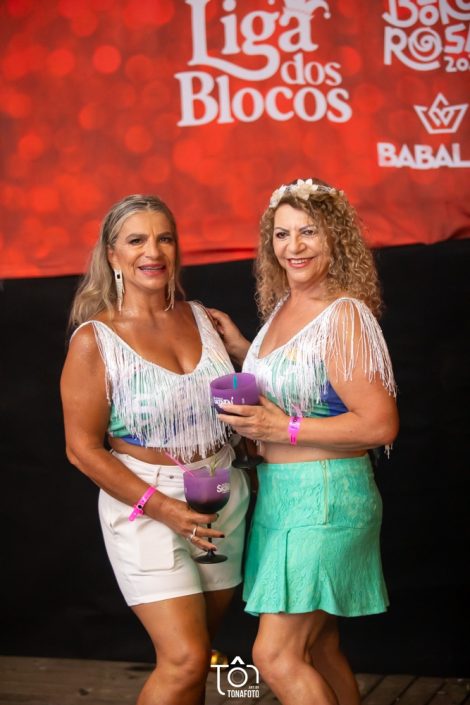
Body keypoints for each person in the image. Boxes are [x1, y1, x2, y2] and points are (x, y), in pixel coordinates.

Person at [208, 178, 399, 705]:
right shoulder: (284, 309)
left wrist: (282, 429)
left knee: (277, 656)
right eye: (282, 233)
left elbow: (379, 425)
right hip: (283, 497)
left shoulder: (344, 315)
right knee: (319, 648)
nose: (293, 246)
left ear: (335, 237)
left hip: (327, 497)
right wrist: (242, 348)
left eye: (308, 232)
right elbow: (305, 381)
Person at [60, 194, 250, 705]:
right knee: (185, 658)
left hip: (220, 491)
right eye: (136, 240)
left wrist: (243, 355)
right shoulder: (96, 340)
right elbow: (81, 449)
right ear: (112, 254)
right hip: (146, 502)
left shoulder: (205, 319)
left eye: (164, 238)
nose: (153, 251)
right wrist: (163, 507)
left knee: (199, 656)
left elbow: (245, 405)